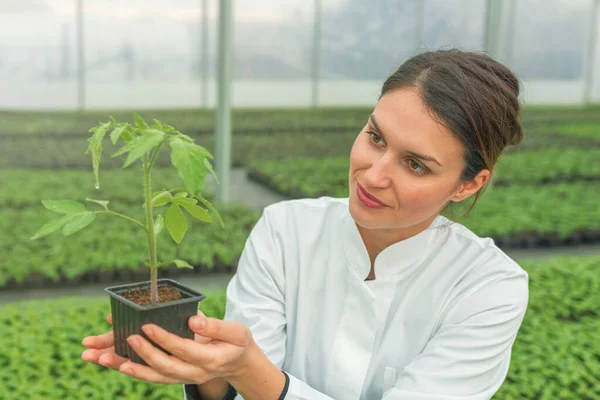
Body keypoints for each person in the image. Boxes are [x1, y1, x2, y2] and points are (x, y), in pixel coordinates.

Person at [81, 49, 529, 400]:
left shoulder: (488, 287)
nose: (373, 174)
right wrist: (212, 374)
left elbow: (256, 375)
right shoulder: (286, 230)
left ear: (468, 185)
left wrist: (246, 370)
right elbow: (242, 384)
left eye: (415, 165)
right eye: (375, 138)